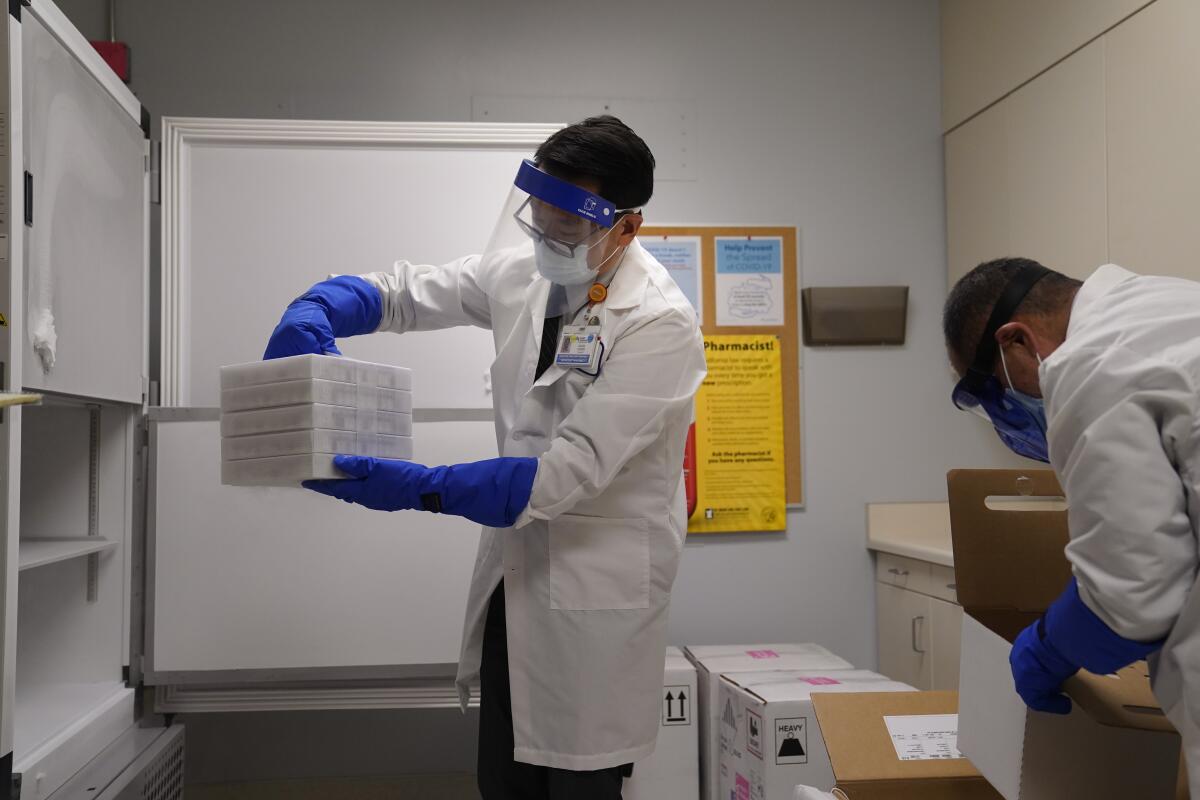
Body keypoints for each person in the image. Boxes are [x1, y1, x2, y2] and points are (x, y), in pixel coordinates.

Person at [261, 115, 707, 800]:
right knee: (503, 780)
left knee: (578, 787)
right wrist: (319, 306)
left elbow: (563, 475)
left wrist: (416, 486)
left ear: (627, 226)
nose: (547, 235)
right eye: (541, 211)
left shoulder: (659, 324)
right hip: (516, 576)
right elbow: (406, 293)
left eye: (569, 222)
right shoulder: (524, 274)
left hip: (596, 593)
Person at [943, 257, 1199, 796]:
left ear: (1015, 341)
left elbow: (1133, 599)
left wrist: (1049, 645)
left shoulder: (1089, 368)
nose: (1012, 413)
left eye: (996, 391)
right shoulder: (1170, 306)